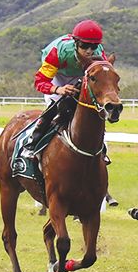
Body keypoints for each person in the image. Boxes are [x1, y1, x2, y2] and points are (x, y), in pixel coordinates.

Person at [17, 19, 105, 166]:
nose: (89, 51)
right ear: (76, 43)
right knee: (55, 109)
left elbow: (103, 77)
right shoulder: (58, 51)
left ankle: (102, 150)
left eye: (93, 46)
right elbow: (40, 82)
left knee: (94, 112)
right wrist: (59, 89)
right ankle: (32, 144)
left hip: (82, 75)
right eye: (84, 46)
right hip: (57, 76)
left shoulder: (99, 54)